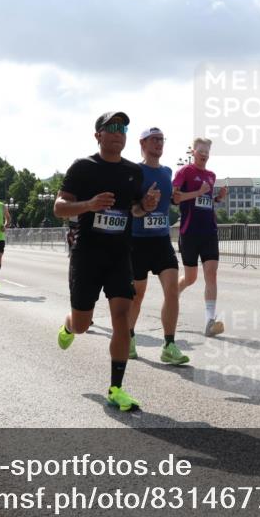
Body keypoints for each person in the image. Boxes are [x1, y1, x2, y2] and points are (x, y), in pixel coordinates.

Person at [54, 111, 161, 412]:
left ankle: (116, 389)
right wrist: (88, 205)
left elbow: (135, 211)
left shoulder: (133, 172)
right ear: (98, 135)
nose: (118, 132)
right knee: (82, 324)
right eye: (111, 127)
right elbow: (59, 207)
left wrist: (146, 205)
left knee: (122, 320)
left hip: (119, 254)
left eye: (123, 128)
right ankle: (68, 325)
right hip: (87, 253)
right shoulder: (83, 167)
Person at [127, 127, 190, 365]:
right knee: (138, 294)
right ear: (142, 143)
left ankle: (169, 344)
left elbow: (172, 200)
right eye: (154, 139)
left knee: (172, 290)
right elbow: (131, 209)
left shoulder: (166, 171)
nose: (159, 143)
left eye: (162, 139)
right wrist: (144, 204)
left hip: (162, 240)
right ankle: (129, 337)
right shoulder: (135, 172)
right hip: (137, 241)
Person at [174, 138, 228, 337]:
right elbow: (175, 198)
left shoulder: (211, 175)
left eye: (207, 151)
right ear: (193, 151)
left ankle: (209, 322)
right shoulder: (185, 172)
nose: (204, 154)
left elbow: (205, 200)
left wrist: (218, 198)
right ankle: (175, 293)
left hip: (209, 232)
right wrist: (198, 191)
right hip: (189, 232)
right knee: (190, 278)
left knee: (211, 274)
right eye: (201, 150)